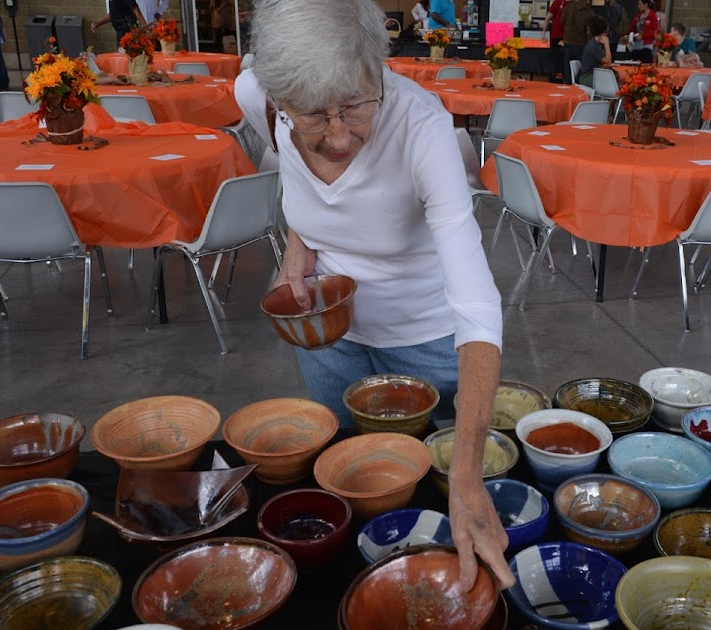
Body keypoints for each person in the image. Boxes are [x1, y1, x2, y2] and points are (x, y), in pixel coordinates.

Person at [236, 0, 513, 591]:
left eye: (356, 106)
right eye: (315, 115)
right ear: (278, 98)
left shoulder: (422, 127)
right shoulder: (255, 95)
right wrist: (298, 242)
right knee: (345, 483)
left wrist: (467, 480)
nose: (339, 135)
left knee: (428, 495)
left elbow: (476, 304)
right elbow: (295, 170)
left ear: (377, 72)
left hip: (425, 342)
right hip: (327, 333)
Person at [576, 14, 610, 86]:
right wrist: (607, 44)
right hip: (586, 77)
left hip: (593, 74)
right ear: (604, 31)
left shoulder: (597, 43)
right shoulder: (593, 45)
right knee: (610, 81)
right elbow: (608, 61)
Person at [561, 0, 591, 75]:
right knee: (581, 67)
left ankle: (568, 81)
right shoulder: (587, 9)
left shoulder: (568, 6)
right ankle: (579, 81)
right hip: (581, 42)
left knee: (567, 67)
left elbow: (562, 21)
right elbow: (591, 25)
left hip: (568, 40)